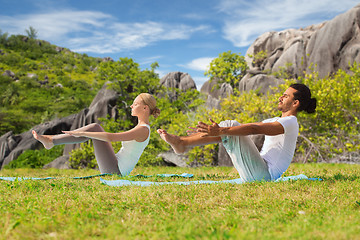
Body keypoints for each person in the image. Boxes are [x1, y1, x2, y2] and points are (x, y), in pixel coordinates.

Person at [158, 83, 316, 182]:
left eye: (286, 96)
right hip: (259, 172)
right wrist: (219, 131)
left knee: (230, 125)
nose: (280, 97)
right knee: (231, 128)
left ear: (295, 103)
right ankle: (182, 142)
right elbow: (253, 125)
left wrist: (221, 130)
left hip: (264, 176)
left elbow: (255, 129)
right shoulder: (278, 120)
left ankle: (182, 143)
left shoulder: (290, 123)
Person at [33, 93, 160, 176]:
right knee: (95, 128)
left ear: (145, 108)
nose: (131, 106)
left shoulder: (143, 130)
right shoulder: (141, 127)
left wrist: (83, 133)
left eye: (136, 104)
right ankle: (51, 141)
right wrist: (84, 133)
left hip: (116, 171)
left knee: (95, 128)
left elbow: (111, 137)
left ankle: (51, 141)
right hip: (115, 164)